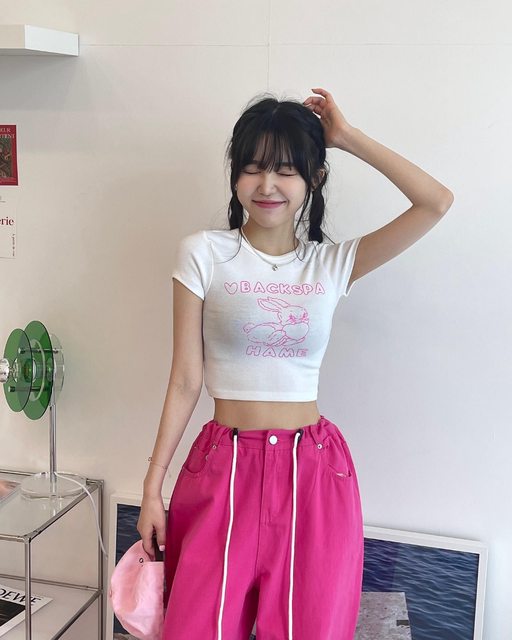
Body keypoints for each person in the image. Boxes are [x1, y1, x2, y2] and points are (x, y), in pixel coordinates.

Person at [136, 87, 454, 640]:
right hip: (222, 466)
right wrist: (152, 486)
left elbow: (436, 202)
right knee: (194, 627)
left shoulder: (331, 264)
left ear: (314, 178)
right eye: (253, 168)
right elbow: (185, 379)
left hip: (314, 471)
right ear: (235, 175)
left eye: (286, 170)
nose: (267, 185)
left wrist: (346, 137)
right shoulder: (203, 254)